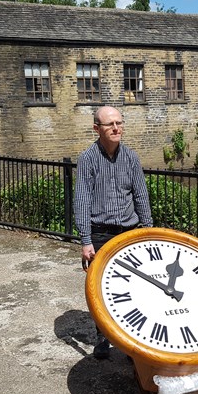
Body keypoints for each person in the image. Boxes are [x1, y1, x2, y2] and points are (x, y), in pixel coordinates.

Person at [73, 105, 153, 359]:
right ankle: (102, 338)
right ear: (97, 129)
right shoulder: (88, 159)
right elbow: (82, 200)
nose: (116, 128)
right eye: (110, 125)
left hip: (129, 232)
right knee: (101, 291)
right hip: (101, 233)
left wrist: (148, 231)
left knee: (135, 289)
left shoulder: (131, 157)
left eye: (119, 123)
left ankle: (131, 341)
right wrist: (86, 240)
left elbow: (141, 196)